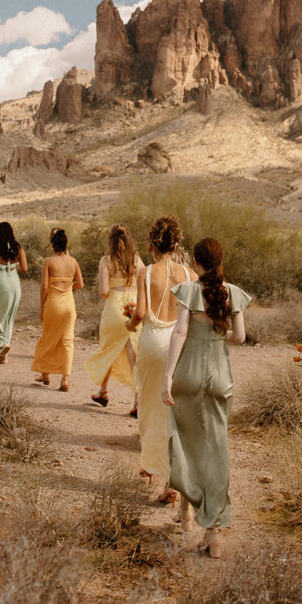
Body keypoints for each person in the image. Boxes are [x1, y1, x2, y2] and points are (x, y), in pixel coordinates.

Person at [162, 237, 251, 558]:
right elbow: (239, 337)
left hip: (189, 372)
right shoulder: (234, 293)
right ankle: (212, 532)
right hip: (220, 377)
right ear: (220, 260)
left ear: (195, 263)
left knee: (185, 442)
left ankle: (185, 511)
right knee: (214, 449)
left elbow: (180, 332)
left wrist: (168, 375)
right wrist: (216, 333)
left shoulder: (188, 291)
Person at [126, 215, 194, 504]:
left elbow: (140, 314)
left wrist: (128, 326)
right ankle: (174, 482)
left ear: (153, 243)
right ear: (177, 243)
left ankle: (153, 467)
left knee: (152, 412)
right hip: (182, 346)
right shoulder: (191, 275)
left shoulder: (146, 273)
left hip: (153, 345)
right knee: (177, 415)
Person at [83, 223, 143, 410]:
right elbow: (145, 282)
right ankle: (137, 402)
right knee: (134, 354)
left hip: (115, 307)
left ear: (111, 241)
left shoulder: (106, 261)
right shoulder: (136, 260)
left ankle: (103, 391)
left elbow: (103, 291)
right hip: (133, 306)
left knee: (109, 348)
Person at [31, 228, 83, 391]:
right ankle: (65, 380)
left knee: (47, 337)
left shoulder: (48, 262)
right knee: (67, 341)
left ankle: (45, 375)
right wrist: (67, 286)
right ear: (66, 245)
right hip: (69, 305)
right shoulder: (73, 262)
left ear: (53, 245)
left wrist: (42, 306)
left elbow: (44, 287)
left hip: (53, 303)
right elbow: (80, 285)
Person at [0, 221, 28, 363]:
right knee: (9, 316)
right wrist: (15, 264)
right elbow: (25, 269)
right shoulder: (18, 248)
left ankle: (0, 346)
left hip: (0, 283)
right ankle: (4, 350)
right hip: (14, 283)